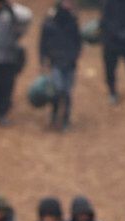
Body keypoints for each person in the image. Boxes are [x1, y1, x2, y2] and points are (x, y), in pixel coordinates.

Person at [37, 0, 80, 130]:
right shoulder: (50, 22)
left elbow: (78, 41)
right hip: (56, 62)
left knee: (66, 92)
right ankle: (54, 117)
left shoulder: (73, 21)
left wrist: (74, 55)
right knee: (57, 90)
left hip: (69, 62)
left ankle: (65, 119)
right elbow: (43, 43)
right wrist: (43, 60)